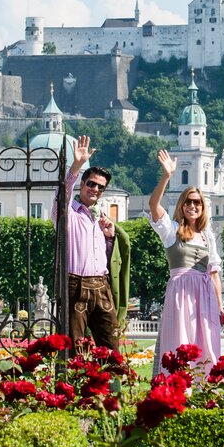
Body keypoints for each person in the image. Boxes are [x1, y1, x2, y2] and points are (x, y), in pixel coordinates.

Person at [148, 149, 223, 376]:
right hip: (181, 291)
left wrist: (220, 305)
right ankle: (177, 384)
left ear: (203, 207)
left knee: (207, 340)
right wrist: (166, 176)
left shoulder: (207, 236)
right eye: (189, 201)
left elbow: (214, 273)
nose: (193, 206)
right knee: (179, 338)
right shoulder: (171, 230)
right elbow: (153, 205)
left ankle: (207, 386)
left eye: (198, 202)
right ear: (181, 205)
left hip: (205, 292)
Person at [52, 135, 130, 351]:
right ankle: (75, 384)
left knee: (111, 344)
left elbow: (104, 257)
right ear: (82, 184)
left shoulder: (100, 218)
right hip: (75, 284)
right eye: (91, 184)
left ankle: (112, 385)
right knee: (75, 347)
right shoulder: (68, 214)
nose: (95, 189)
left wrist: (109, 238)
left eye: (100, 187)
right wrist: (76, 167)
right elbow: (61, 196)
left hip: (101, 284)